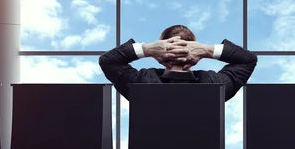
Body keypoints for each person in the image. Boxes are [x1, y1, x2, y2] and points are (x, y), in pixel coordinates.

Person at [98, 24, 257, 102]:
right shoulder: (215, 83)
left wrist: (147, 49)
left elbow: (108, 61)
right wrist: (206, 50)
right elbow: (248, 59)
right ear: (194, 51)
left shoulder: (141, 80)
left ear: (160, 52)